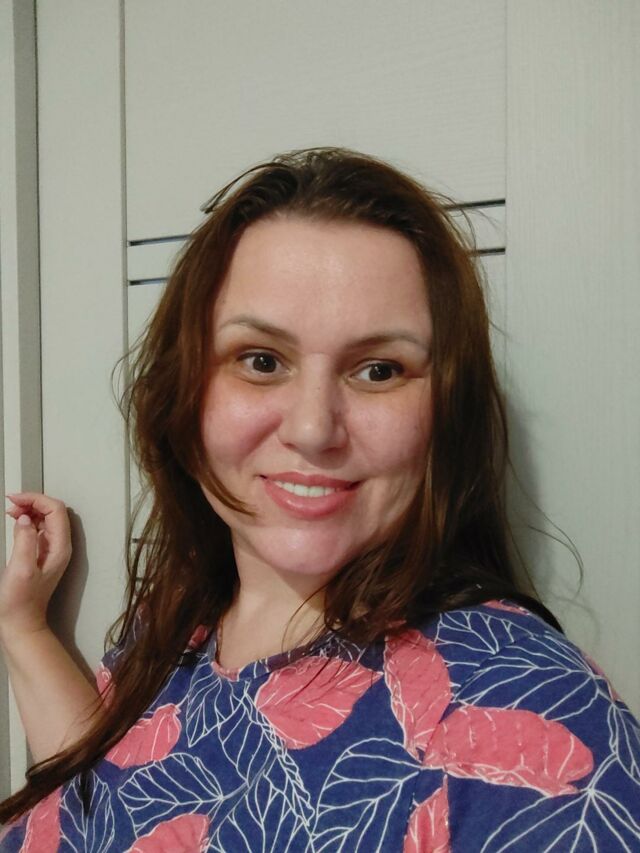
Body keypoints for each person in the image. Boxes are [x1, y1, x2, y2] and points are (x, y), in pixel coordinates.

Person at [0, 147, 639, 852]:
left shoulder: (524, 703)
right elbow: (104, 804)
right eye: (261, 360)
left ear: (444, 413)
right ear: (185, 391)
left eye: (378, 370)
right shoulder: (179, 623)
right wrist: (24, 627)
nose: (312, 429)